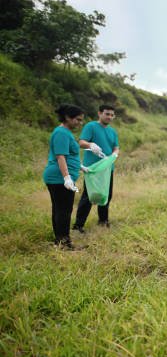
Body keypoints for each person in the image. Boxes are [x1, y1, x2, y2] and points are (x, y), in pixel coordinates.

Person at [43, 104, 89, 250]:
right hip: (58, 177)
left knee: (59, 209)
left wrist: (80, 166)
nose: (80, 123)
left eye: (81, 120)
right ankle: (65, 244)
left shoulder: (65, 132)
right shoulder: (61, 133)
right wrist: (67, 178)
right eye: (78, 119)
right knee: (64, 210)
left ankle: (60, 241)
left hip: (59, 177)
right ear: (67, 117)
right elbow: (60, 156)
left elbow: (69, 155)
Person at [72, 104, 119, 233]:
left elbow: (116, 146)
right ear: (99, 113)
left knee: (106, 195)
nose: (109, 117)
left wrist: (115, 153)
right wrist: (90, 145)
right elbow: (81, 143)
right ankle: (78, 226)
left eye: (111, 115)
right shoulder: (91, 126)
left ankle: (103, 221)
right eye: (106, 114)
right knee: (89, 196)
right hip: (92, 169)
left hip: (107, 168)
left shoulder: (113, 131)